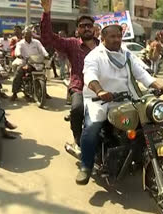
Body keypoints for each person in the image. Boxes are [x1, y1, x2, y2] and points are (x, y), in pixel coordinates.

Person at [77, 24, 163, 185]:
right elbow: (90, 75)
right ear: (103, 38)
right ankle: (86, 165)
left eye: (119, 36)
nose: (117, 39)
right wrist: (99, 90)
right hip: (100, 100)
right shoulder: (94, 56)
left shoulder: (127, 54)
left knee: (148, 119)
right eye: (112, 36)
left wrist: (157, 86)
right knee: (92, 126)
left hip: (127, 98)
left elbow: (141, 73)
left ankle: (142, 154)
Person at [40, 0, 100, 148]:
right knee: (77, 108)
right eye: (82, 26)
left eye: (89, 25)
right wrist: (46, 12)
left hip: (103, 87)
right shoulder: (71, 44)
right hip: (79, 87)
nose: (86, 28)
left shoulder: (103, 46)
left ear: (94, 29)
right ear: (77, 30)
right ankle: (78, 138)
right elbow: (48, 38)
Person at [10, 28, 49, 101]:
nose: (27, 37)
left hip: (36, 62)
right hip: (24, 62)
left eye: (29, 35)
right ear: (23, 35)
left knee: (43, 75)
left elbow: (42, 49)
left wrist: (46, 54)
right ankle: (14, 93)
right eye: (26, 35)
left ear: (31, 35)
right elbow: (17, 50)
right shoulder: (20, 43)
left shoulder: (36, 42)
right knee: (18, 73)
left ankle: (44, 92)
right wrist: (18, 54)